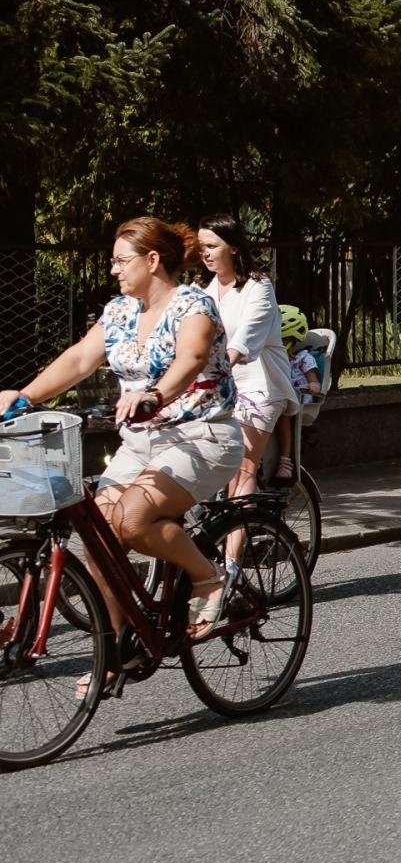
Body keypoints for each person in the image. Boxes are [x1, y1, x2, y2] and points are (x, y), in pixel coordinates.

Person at [0, 217, 246, 680]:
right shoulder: (119, 312)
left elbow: (191, 358)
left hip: (203, 436)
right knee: (97, 537)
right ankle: (110, 654)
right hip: (141, 442)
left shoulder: (192, 304)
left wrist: (154, 394)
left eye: (120, 260)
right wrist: (26, 396)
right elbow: (78, 359)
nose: (113, 270)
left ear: (152, 260)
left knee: (132, 520)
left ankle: (209, 576)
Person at [198, 214, 297, 514]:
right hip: (221, 386)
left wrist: (214, 373)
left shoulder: (258, 287)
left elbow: (242, 343)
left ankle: (231, 560)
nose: (205, 253)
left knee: (242, 467)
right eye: (201, 246)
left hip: (260, 385)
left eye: (212, 246)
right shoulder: (204, 291)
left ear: (233, 248)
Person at [272, 305, 322, 484]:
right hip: (280, 395)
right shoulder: (274, 357)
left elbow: (314, 382)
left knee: (283, 415)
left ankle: (285, 461)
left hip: (298, 398)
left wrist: (314, 385)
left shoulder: (303, 358)